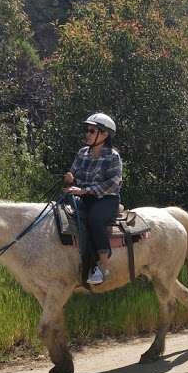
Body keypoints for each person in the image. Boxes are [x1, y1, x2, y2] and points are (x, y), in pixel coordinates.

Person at [63, 112, 123, 286]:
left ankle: (103, 266)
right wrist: (69, 178)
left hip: (106, 199)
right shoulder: (82, 153)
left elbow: (113, 183)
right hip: (82, 196)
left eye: (91, 131)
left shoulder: (113, 156)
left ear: (104, 134)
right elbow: (73, 174)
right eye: (87, 130)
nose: (87, 134)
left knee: (94, 220)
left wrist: (85, 191)